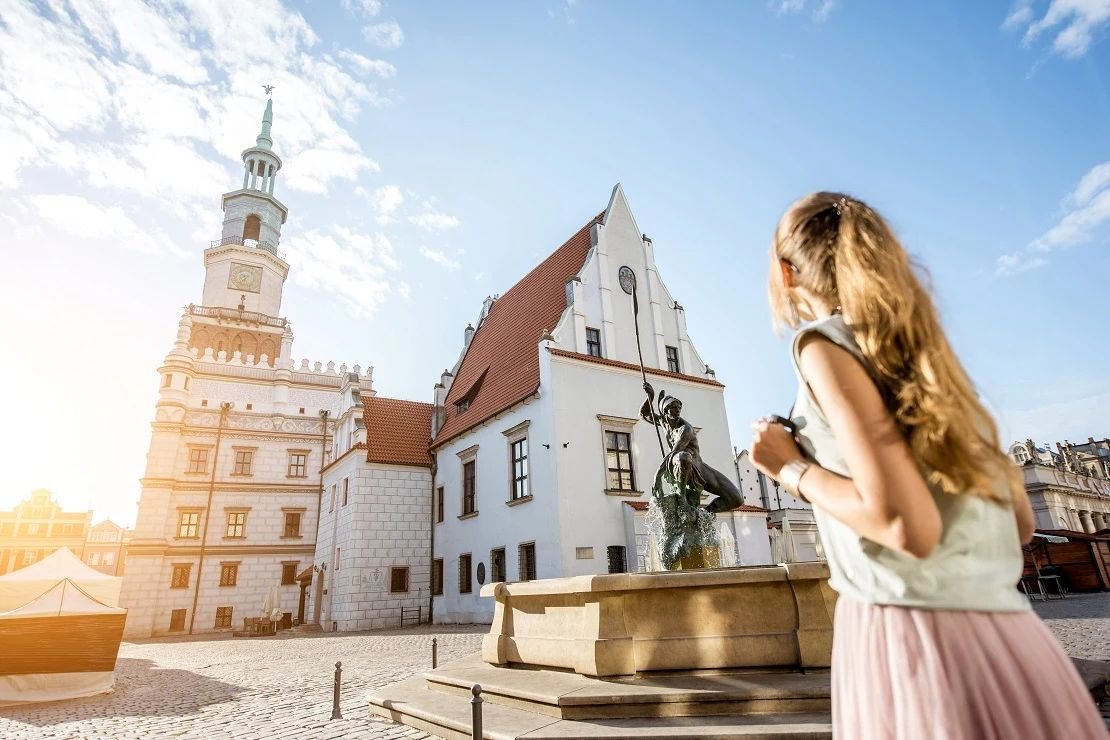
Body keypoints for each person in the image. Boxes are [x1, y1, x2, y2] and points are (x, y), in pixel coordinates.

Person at [749, 192, 1105, 739]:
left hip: (912, 632)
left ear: (785, 270)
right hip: (1011, 635)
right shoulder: (930, 360)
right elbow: (1020, 524)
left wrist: (790, 468)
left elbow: (906, 527)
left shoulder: (822, 345)